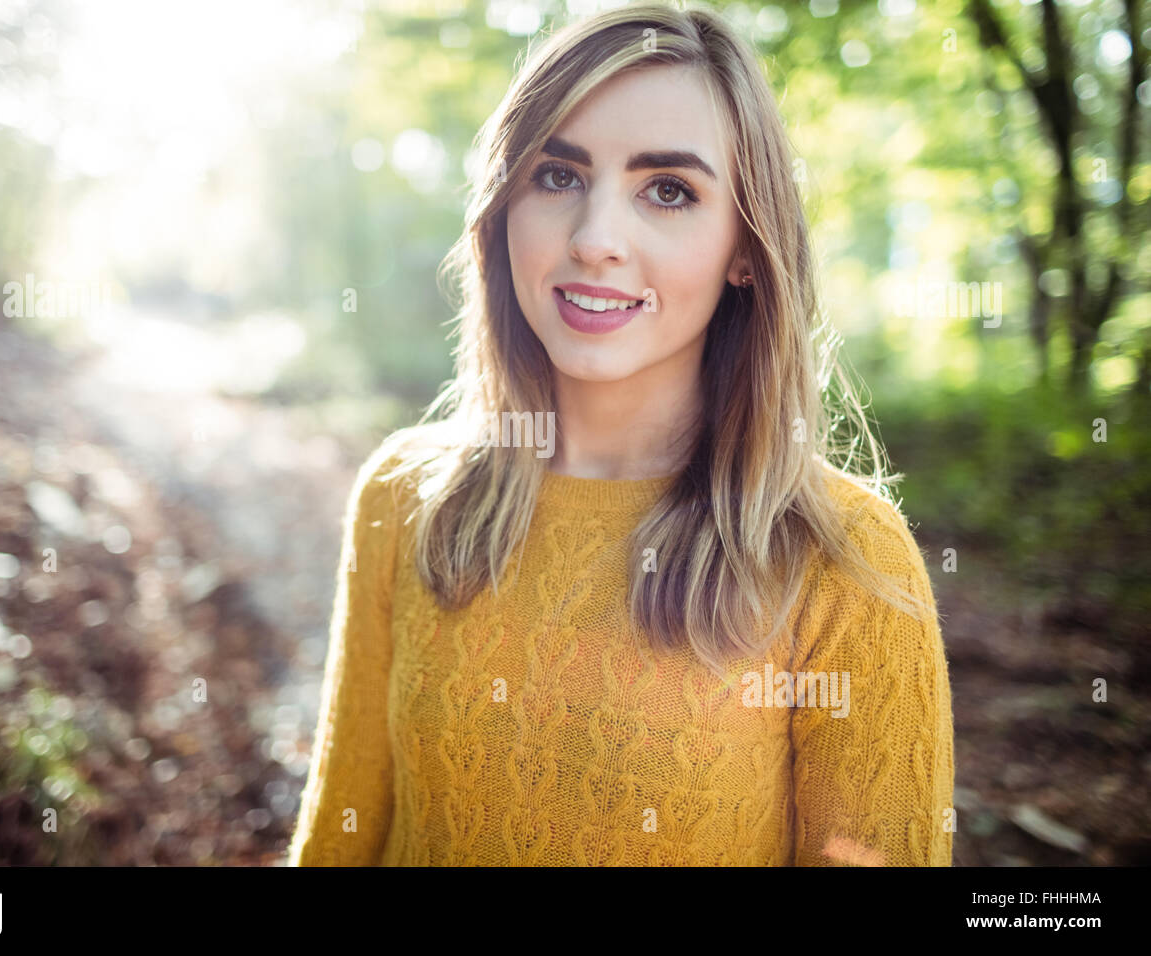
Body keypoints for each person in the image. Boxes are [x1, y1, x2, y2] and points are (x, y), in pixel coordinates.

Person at [286, 2, 954, 867]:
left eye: (668, 190)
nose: (596, 238)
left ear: (746, 247)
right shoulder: (403, 497)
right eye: (558, 176)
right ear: (503, 208)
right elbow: (339, 838)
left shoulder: (843, 559)